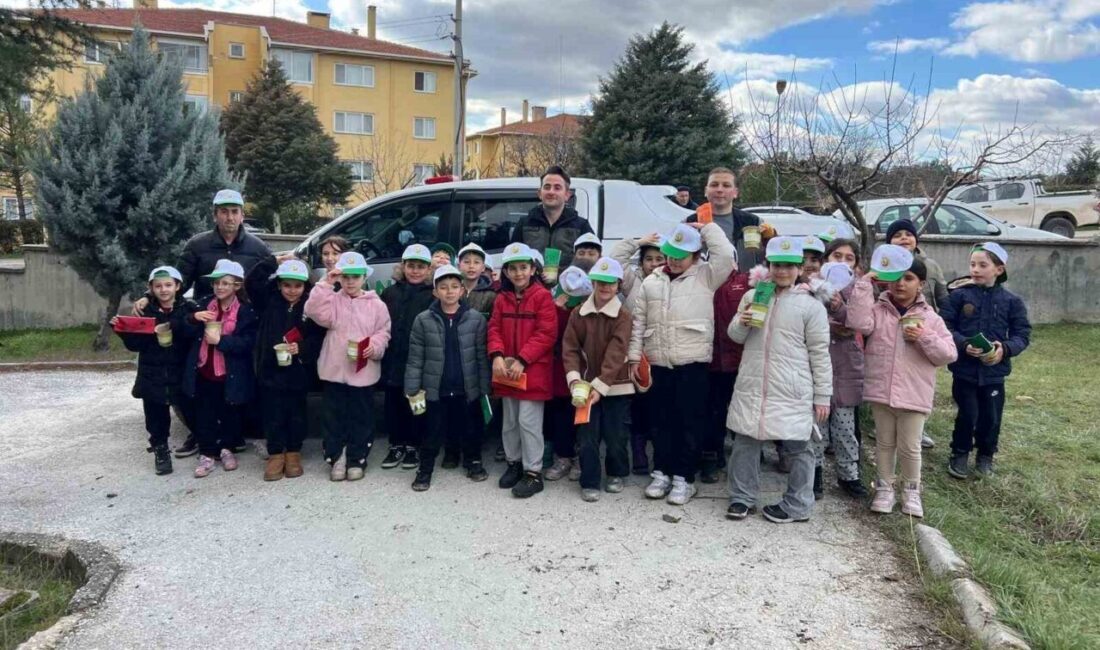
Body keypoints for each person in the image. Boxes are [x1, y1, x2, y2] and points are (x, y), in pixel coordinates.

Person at [143, 190, 271, 459]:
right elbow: (177, 282)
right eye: (224, 211)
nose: (229, 217)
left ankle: (241, 433)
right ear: (215, 215)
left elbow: (270, 281)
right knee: (201, 384)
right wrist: (148, 297)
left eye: (234, 211)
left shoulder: (257, 247)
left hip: (241, 324)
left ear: (242, 215)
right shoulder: (198, 245)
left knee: (241, 379)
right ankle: (199, 433)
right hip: (205, 324)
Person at [725, 237, 832, 524]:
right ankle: (742, 497)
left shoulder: (811, 306)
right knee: (746, 441)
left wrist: (823, 395)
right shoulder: (753, 296)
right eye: (776, 265)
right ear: (768, 266)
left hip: (792, 386)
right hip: (754, 383)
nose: (782, 271)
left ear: (799, 269)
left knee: (798, 446)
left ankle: (798, 504)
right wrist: (742, 321)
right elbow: (735, 337)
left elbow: (820, 353)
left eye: (789, 265)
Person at [628, 222, 736, 506]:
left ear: (696, 255)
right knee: (660, 422)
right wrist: (634, 357)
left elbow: (726, 255)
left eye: (681, 255)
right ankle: (662, 472)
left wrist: (708, 228)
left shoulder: (706, 276)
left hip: (692, 364)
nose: (674, 260)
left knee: (690, 422)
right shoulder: (652, 281)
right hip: (658, 363)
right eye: (671, 254)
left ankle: (684, 478)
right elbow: (639, 322)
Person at [846, 246, 957, 517]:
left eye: (908, 278)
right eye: (895, 277)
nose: (900, 284)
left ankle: (911, 491)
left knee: (910, 447)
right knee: (884, 444)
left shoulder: (930, 318)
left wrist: (924, 337)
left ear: (921, 283)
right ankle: (885, 488)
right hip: (881, 391)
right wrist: (864, 284)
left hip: (913, 394)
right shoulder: (878, 311)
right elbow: (858, 323)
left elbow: (948, 354)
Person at [941, 242, 1031, 479]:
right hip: (964, 371)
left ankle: (986, 455)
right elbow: (945, 327)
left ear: (999, 270)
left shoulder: (1012, 301)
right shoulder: (959, 296)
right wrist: (963, 344)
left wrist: (1005, 349)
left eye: (983, 265)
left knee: (991, 417)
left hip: (994, 374)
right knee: (968, 414)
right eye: (973, 264)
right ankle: (959, 453)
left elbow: (1022, 334)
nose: (976, 269)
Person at [304, 252, 392, 481]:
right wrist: (326, 283)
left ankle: (357, 457)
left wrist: (374, 347)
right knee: (334, 416)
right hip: (334, 370)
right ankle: (336, 456)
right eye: (345, 277)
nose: (350, 281)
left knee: (361, 416)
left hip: (363, 371)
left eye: (355, 277)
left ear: (364, 277)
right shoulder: (333, 300)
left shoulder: (377, 305)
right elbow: (313, 310)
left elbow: (383, 332)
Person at [405, 265, 492, 491]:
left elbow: (481, 356)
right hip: (436, 388)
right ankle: (425, 470)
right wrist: (412, 387)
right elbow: (415, 358)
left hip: (467, 387)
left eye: (454, 286)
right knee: (432, 431)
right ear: (435, 292)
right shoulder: (423, 320)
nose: (449, 291)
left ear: (462, 290)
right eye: (443, 287)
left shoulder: (475, 319)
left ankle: (473, 461)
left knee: (470, 427)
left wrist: (484, 387)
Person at [488, 243, 558, 499]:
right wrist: (497, 354)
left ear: (532, 269)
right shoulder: (501, 298)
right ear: (506, 272)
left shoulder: (542, 296)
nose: (518, 273)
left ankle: (533, 472)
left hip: (532, 370)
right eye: (513, 268)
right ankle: (513, 463)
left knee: (529, 422)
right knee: (509, 421)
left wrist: (522, 358)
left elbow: (546, 333)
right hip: (507, 370)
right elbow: (494, 328)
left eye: (523, 267)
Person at [110, 266, 195, 476]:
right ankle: (160, 449)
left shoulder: (188, 308)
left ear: (177, 286)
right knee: (155, 415)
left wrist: (175, 324)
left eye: (168, 285)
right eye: (158, 286)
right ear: (151, 289)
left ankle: (201, 440)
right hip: (152, 372)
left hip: (180, 370)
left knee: (191, 409)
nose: (164, 290)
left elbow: (193, 334)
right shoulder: (145, 311)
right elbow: (136, 345)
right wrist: (123, 331)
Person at [245, 257, 325, 481]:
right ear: (279, 284)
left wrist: (301, 347)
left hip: (298, 371)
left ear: (305, 286)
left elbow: (318, 337)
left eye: (298, 285)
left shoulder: (310, 306)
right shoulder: (268, 301)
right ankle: (275, 453)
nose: (292, 290)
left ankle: (293, 451)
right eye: (287, 285)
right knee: (272, 412)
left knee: (296, 412)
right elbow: (252, 282)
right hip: (270, 369)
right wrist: (273, 260)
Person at [177, 259, 258, 478]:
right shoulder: (203, 304)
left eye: (225, 283)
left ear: (237, 286)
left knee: (230, 411)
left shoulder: (245, 311)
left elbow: (248, 342)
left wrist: (222, 341)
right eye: (216, 283)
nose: (219, 287)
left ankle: (227, 448)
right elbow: (182, 327)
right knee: (205, 412)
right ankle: (207, 452)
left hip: (230, 372)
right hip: (205, 369)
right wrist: (193, 318)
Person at [563, 258, 635, 502]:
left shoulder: (623, 316)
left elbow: (617, 353)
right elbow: (570, 349)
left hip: (616, 385)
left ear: (618, 285)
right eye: (600, 282)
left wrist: (601, 385)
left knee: (617, 435)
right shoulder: (577, 313)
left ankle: (616, 473)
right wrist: (574, 380)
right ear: (592, 283)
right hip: (584, 387)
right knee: (587, 436)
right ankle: (590, 480)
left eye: (610, 283)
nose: (605, 287)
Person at [885, 218, 950, 451]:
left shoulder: (931, 265)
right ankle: (886, 422)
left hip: (924, 331)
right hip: (892, 330)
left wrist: (941, 327)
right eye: (897, 235)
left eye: (908, 234)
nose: (904, 238)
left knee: (919, 381)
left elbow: (943, 297)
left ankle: (918, 428)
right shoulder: (884, 265)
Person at [610, 234, 665, 473]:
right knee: (638, 405)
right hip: (636, 352)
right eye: (649, 259)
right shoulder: (632, 281)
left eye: (659, 259)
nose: (654, 263)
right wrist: (638, 242)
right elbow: (615, 259)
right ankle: (639, 450)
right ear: (641, 262)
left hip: (662, 351)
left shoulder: (671, 281)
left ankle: (660, 454)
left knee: (659, 404)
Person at [379, 245, 437, 470]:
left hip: (419, 360)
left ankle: (414, 445)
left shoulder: (432, 294)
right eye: (411, 266)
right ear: (403, 267)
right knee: (393, 404)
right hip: (394, 358)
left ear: (428, 269)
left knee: (416, 403)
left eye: (420, 267)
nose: (415, 271)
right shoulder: (390, 293)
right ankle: (396, 444)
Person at [819, 238, 868, 498]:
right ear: (826, 259)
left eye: (849, 258)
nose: (842, 262)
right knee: (816, 428)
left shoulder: (860, 290)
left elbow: (862, 321)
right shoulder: (813, 287)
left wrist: (840, 310)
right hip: (819, 364)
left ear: (857, 265)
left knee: (846, 427)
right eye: (836, 256)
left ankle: (849, 475)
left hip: (848, 365)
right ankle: (813, 473)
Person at [543, 266, 593, 482]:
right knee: (560, 415)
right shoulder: (552, 305)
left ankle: (581, 457)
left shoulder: (591, 308)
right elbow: (549, 333)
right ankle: (563, 456)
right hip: (558, 370)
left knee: (582, 417)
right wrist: (557, 310)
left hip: (584, 370)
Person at [509, 166, 595, 270]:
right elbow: (512, 259)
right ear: (539, 193)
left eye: (557, 188)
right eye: (547, 187)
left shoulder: (581, 226)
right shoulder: (524, 224)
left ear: (567, 195)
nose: (551, 192)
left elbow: (593, 263)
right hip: (533, 280)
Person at [685, 167, 763, 269]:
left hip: (742, 278)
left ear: (735, 192)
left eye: (726, 185)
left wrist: (769, 238)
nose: (719, 190)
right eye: (714, 185)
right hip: (702, 278)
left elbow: (769, 259)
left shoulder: (752, 222)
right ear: (706, 191)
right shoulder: (690, 223)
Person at [457, 242, 497, 319]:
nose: (471, 266)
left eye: (476, 262)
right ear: (459, 266)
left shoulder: (491, 295)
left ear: (483, 268)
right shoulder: (451, 290)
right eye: (467, 262)